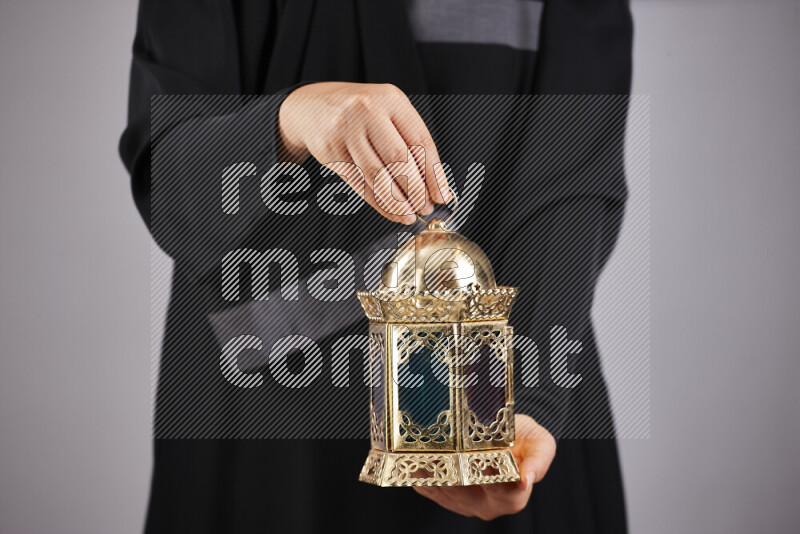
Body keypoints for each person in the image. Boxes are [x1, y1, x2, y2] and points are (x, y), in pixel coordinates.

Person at [119, 0, 633, 531]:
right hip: (265, 408)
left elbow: (577, 172)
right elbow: (167, 170)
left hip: (513, 375)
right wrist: (290, 118)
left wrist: (526, 396)